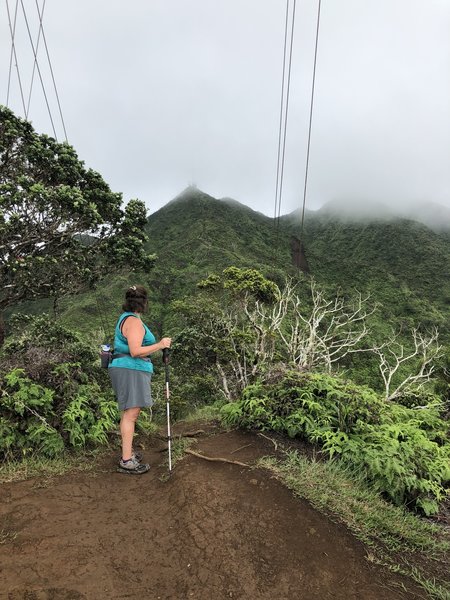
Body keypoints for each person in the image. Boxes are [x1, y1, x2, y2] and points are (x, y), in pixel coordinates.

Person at [109, 285, 171, 474]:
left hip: (126, 368)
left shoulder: (125, 318)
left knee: (128, 413)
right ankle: (126, 460)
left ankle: (127, 454)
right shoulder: (134, 322)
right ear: (144, 303)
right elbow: (135, 351)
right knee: (131, 414)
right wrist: (160, 345)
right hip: (131, 369)